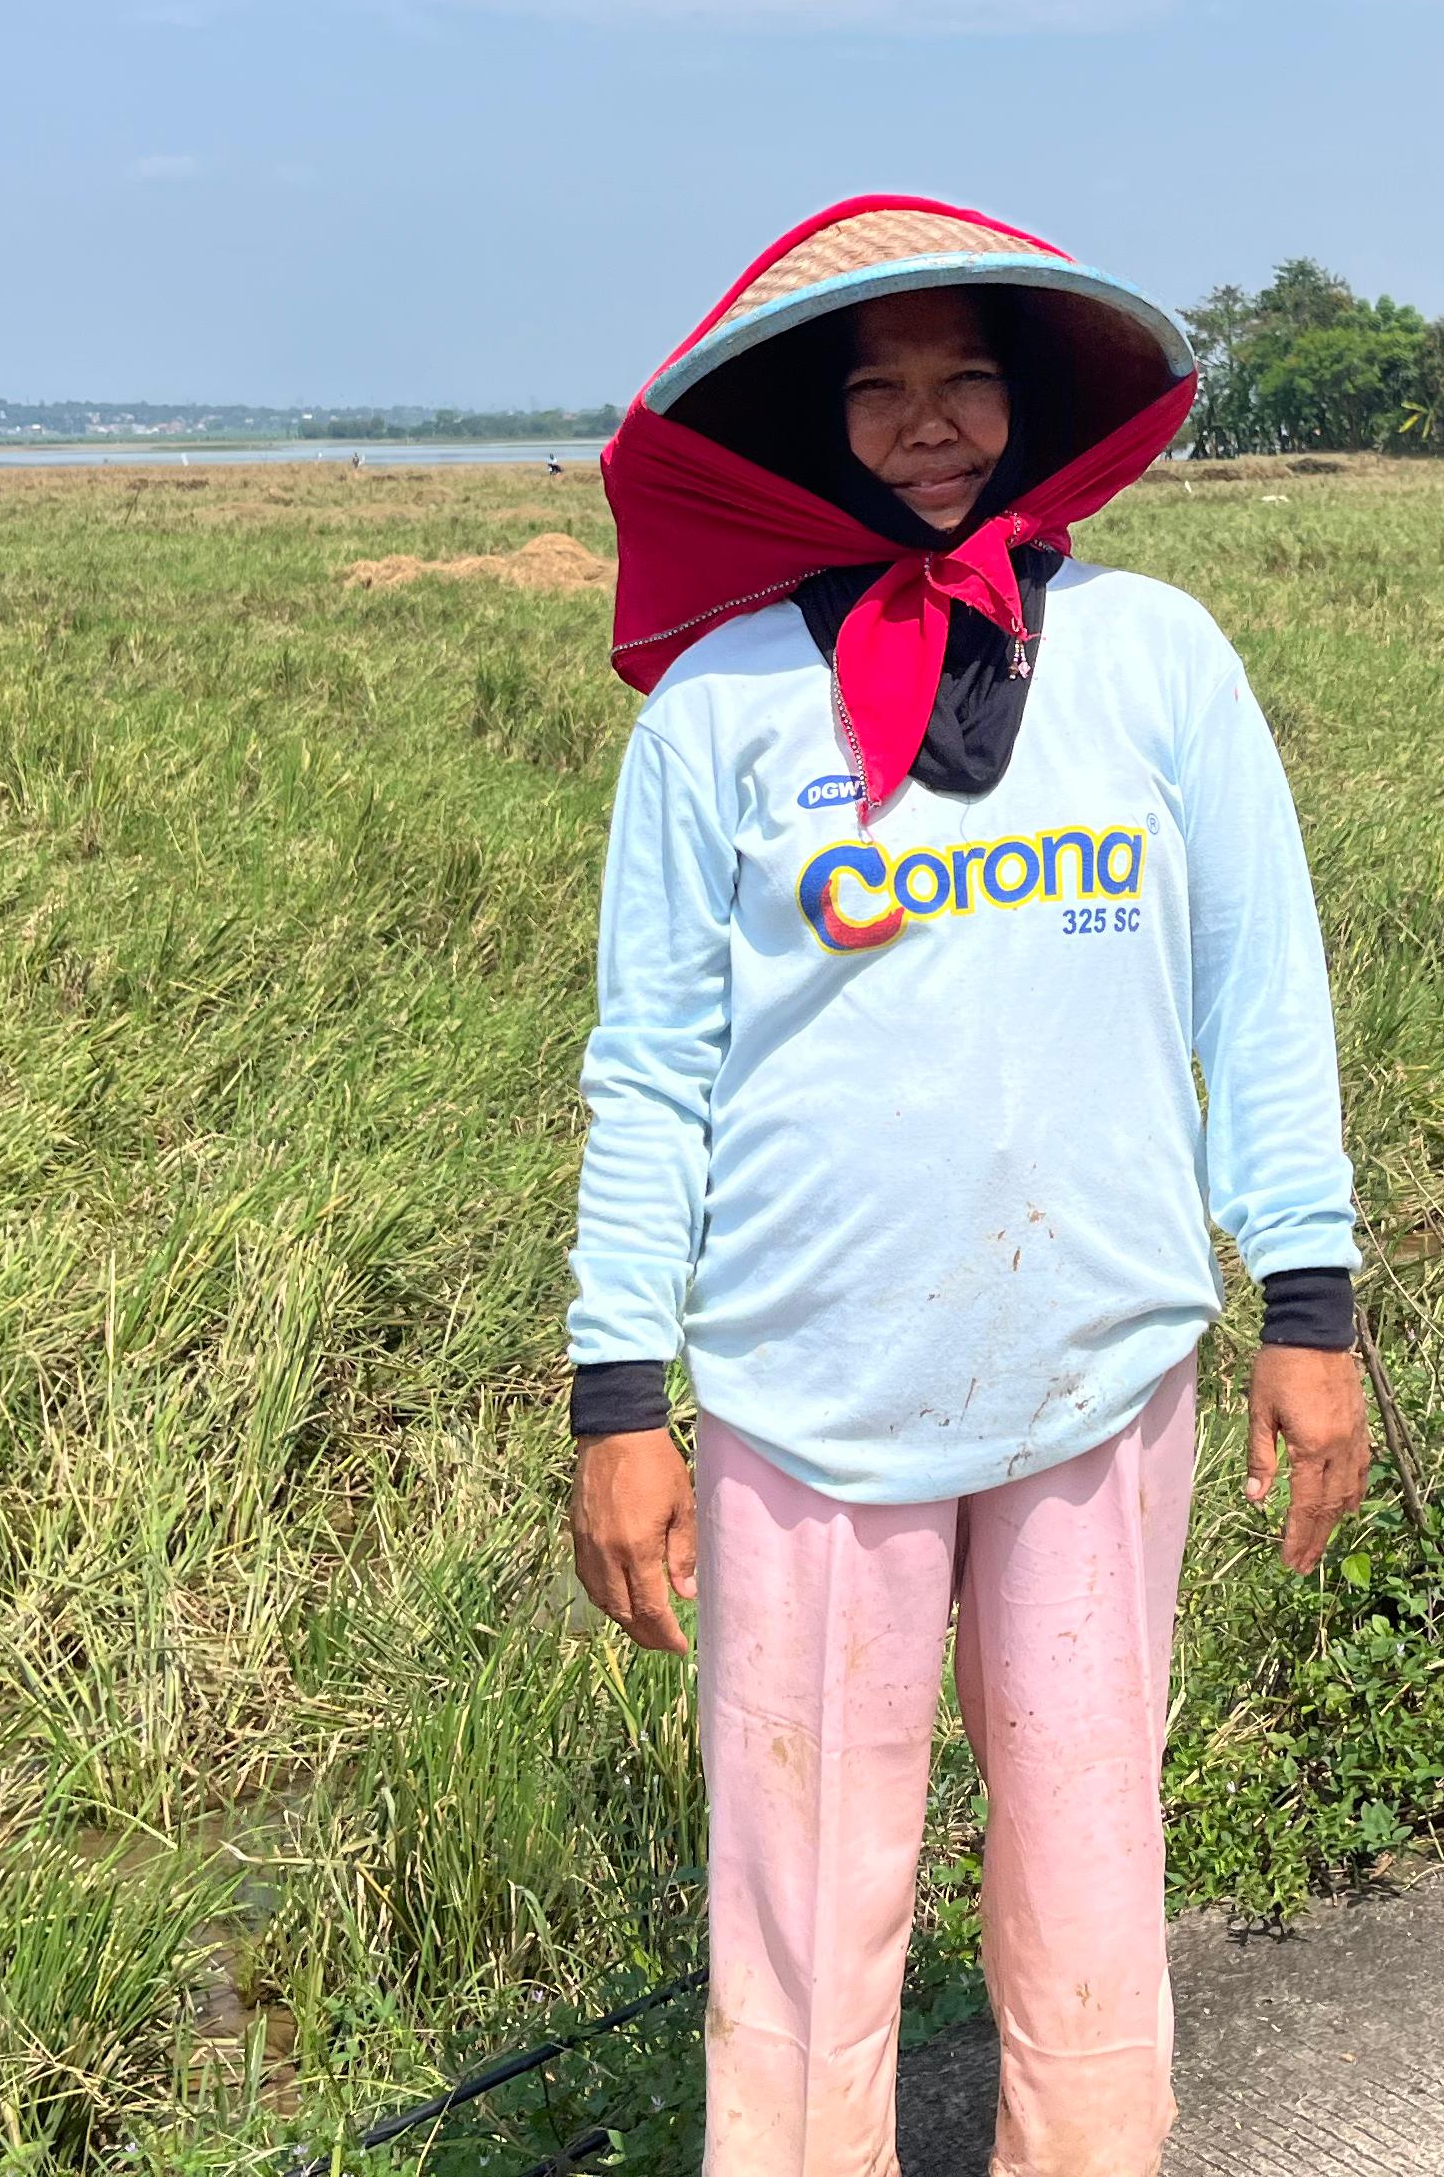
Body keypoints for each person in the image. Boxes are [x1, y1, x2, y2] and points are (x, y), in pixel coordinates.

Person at [569, 197, 1368, 2177]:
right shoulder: (722, 710)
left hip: (1100, 1364)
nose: (928, 426)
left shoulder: (1158, 661)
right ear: (808, 433)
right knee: (802, 1879)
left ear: (1028, 407)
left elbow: (1260, 980)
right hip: (803, 1383)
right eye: (878, 393)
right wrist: (614, 1398)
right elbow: (649, 1069)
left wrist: (1312, 1298)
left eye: (966, 384)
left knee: (1090, 1834)